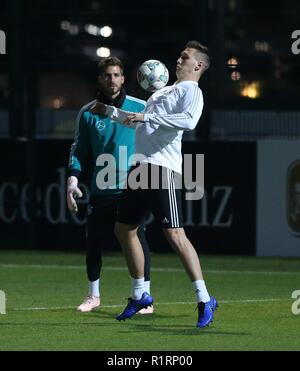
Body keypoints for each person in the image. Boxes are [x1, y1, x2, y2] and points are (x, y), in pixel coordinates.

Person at [91, 41, 218, 328]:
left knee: (175, 235)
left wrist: (147, 115)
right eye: (180, 55)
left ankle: (204, 298)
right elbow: (141, 123)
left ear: (198, 65)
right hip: (140, 168)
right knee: (124, 229)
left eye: (185, 57)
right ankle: (141, 295)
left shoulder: (191, 91)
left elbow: (189, 121)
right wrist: (111, 112)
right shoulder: (164, 91)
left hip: (162, 171)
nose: (179, 59)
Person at [67, 56, 153, 314]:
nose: (112, 80)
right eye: (107, 75)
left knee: (137, 238)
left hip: (133, 186)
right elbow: (79, 149)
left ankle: (144, 297)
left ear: (124, 78)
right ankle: (93, 296)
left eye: (116, 75)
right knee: (94, 241)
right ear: (100, 79)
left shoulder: (140, 107)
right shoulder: (88, 112)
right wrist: (72, 179)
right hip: (101, 188)